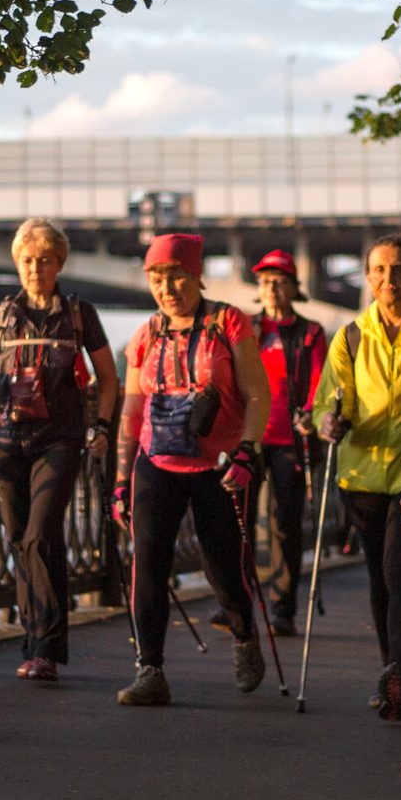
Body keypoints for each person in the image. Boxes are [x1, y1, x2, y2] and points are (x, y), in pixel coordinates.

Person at [112, 233, 272, 706]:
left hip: (217, 467)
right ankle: (150, 670)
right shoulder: (145, 336)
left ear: (197, 275)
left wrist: (247, 451)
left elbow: (257, 394)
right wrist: (122, 480)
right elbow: (130, 414)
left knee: (222, 567)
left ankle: (244, 636)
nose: (168, 288)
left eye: (177, 276)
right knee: (148, 566)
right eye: (158, 279)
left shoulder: (228, 322)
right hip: (156, 463)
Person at [0, 218, 118, 681]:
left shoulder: (79, 313)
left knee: (40, 534)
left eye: (44, 260)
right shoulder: (2, 314)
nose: (34, 268)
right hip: (5, 440)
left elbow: (108, 378)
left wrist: (102, 425)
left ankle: (45, 649)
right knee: (19, 538)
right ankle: (34, 642)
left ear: (59, 263)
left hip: (59, 439)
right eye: (27, 260)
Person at [313, 234, 401, 722]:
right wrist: (329, 421)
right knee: (381, 578)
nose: (388, 279)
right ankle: (392, 674)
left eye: (398, 269)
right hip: (360, 475)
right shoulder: (350, 337)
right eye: (378, 269)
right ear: (367, 276)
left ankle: (399, 668)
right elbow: (329, 401)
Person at [243, 249, 326, 636]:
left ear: (294, 288)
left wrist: (309, 412)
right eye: (264, 281)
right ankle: (239, 603)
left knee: (284, 526)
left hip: (289, 440)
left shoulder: (309, 333)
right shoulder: (247, 329)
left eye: (279, 281)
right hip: (250, 438)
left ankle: (282, 609)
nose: (271, 288)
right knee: (238, 522)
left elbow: (319, 382)